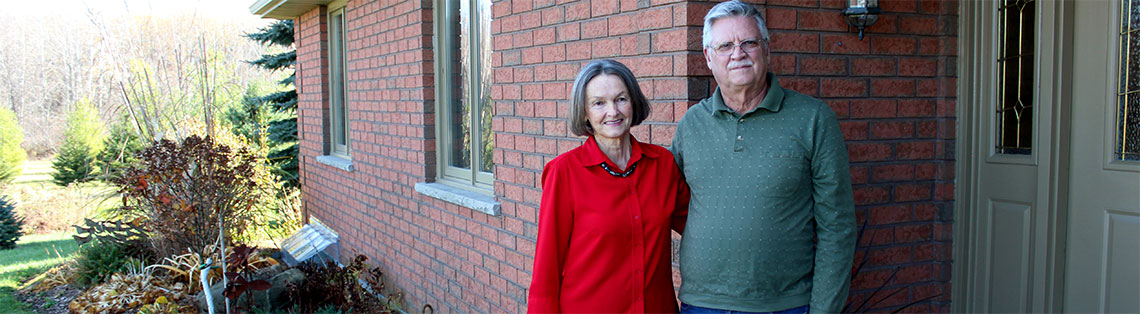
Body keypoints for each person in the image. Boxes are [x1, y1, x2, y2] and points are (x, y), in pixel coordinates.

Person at [670, 1, 856, 313]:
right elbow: (666, 203)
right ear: (708, 57)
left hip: (785, 306)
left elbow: (837, 226)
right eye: (725, 45)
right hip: (701, 305)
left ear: (766, 49)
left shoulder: (813, 119)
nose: (737, 53)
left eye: (749, 42)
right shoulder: (692, 124)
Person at [528, 59, 690, 313]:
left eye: (621, 99)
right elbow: (546, 268)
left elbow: (700, 226)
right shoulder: (564, 173)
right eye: (599, 103)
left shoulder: (663, 165)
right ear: (584, 113)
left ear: (634, 102)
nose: (612, 112)